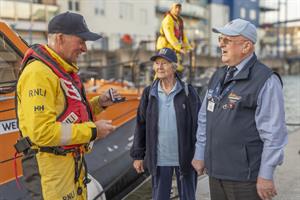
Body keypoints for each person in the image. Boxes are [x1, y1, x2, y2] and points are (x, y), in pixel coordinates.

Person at [15, 11, 118, 200]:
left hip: (68, 169)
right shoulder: (38, 74)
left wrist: (99, 104)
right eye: (81, 41)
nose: (85, 48)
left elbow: (68, 114)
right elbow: (41, 132)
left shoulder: (60, 69)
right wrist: (93, 131)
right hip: (50, 174)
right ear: (60, 38)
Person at [192, 18, 288, 200]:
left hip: (246, 178)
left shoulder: (265, 80)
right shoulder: (218, 75)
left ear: (246, 47)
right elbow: (204, 118)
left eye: (227, 40)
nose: (221, 44)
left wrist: (266, 175)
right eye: (220, 39)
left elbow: (274, 134)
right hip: (216, 172)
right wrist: (200, 154)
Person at [130, 48, 201, 200]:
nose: (159, 67)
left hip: (186, 159)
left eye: (164, 63)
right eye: (157, 63)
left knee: (188, 197)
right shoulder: (149, 93)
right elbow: (141, 124)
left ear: (174, 67)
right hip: (159, 159)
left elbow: (200, 125)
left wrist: (201, 155)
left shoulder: (188, 92)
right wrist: (138, 155)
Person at [156, 3, 192, 72]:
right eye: (176, 8)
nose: (178, 10)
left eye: (179, 8)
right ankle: (157, 82)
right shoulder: (168, 20)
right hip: (165, 48)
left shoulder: (179, 21)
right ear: (171, 9)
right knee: (162, 69)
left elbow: (183, 36)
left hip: (173, 48)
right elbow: (170, 36)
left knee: (177, 68)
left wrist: (188, 48)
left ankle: (175, 81)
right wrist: (180, 48)